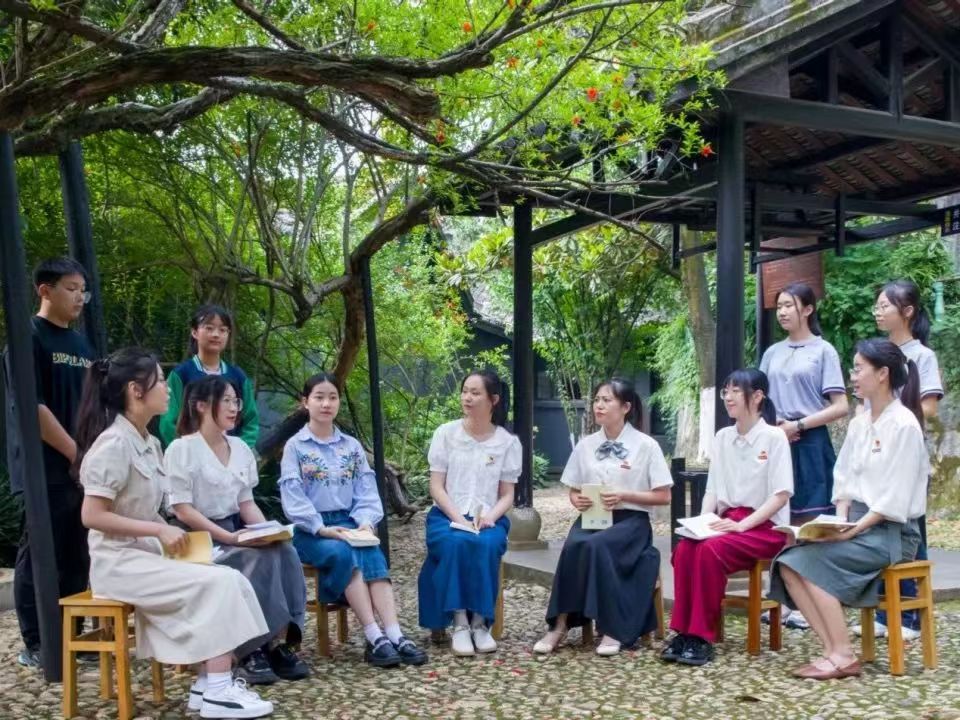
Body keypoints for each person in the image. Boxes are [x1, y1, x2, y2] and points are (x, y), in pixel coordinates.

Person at [76, 348, 274, 718]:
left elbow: (143, 507)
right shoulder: (113, 444)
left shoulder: (149, 443)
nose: (168, 389)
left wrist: (173, 536)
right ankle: (219, 692)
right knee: (219, 584)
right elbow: (92, 515)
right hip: (118, 564)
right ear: (136, 390)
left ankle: (207, 682)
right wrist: (158, 529)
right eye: (161, 382)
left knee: (228, 575)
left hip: (147, 555)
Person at [767, 339, 928, 680]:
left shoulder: (904, 425)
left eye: (858, 369)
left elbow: (894, 499)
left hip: (892, 534)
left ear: (882, 374)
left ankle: (843, 654)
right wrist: (837, 522)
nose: (852, 376)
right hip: (856, 526)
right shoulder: (859, 423)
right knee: (788, 563)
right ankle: (832, 649)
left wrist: (852, 531)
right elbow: (844, 481)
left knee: (812, 564)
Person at [165, 376, 308, 685]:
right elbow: (183, 509)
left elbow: (246, 504)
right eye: (227, 401)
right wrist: (230, 538)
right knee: (252, 559)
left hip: (233, 530)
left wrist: (268, 531)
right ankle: (250, 649)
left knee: (283, 551)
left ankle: (277, 641)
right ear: (201, 406)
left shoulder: (240, 448)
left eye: (236, 401)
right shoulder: (181, 449)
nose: (234, 408)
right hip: (194, 539)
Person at [280, 372, 427, 668]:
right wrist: (322, 528)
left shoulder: (351, 446)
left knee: (371, 550)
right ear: (305, 402)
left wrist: (366, 522)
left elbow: (366, 490)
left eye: (332, 397)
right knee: (343, 552)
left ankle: (394, 633)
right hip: (311, 530)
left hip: (349, 522)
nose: (326, 404)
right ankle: (374, 636)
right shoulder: (295, 447)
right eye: (319, 397)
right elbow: (293, 498)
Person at [662, 369, 793, 666]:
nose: (728, 397)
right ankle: (682, 631)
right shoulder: (722, 437)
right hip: (728, 521)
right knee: (685, 549)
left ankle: (701, 636)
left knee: (709, 551)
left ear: (757, 397)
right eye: (726, 391)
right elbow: (713, 490)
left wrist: (742, 525)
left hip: (765, 527)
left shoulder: (774, 437)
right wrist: (700, 525)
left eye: (736, 391)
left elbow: (781, 495)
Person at [533, 379, 672, 657]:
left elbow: (664, 496)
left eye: (607, 400)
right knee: (574, 545)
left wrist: (624, 495)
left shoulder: (646, 446)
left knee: (597, 546)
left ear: (626, 407)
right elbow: (573, 489)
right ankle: (559, 625)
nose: (599, 405)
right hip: (593, 517)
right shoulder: (586, 445)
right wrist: (577, 499)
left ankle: (613, 628)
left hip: (631, 522)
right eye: (597, 399)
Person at [7, 257, 96, 668]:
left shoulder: (82, 345)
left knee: (79, 550)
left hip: (84, 465)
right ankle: (38, 640)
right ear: (45, 290)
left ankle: (73, 637)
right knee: (41, 550)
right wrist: (75, 453)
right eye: (72, 289)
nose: (79, 298)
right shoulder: (27, 338)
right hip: (45, 466)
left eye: (83, 291)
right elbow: (33, 407)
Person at [856, 279, 944, 641]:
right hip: (873, 454)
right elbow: (863, 405)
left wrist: (895, 420)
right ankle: (882, 610)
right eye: (876, 306)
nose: (878, 312)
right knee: (875, 529)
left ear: (907, 311)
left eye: (884, 306)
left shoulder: (921, 355)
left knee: (908, 529)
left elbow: (930, 407)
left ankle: (910, 616)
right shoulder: (874, 352)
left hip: (905, 454)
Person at [759, 282, 848, 630]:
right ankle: (785, 599)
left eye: (789, 305)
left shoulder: (824, 351)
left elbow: (840, 406)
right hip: (776, 440)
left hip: (810, 441)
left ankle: (810, 602)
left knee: (809, 522)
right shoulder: (772, 353)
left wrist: (798, 425)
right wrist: (774, 429)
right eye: (779, 306)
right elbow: (761, 400)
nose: (782, 312)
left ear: (808, 309)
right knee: (781, 518)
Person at [418, 370, 521, 656]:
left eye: (475, 393)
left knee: (486, 544)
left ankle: (480, 623)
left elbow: (507, 494)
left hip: (489, 518)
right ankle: (461, 622)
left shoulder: (507, 442)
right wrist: (458, 519)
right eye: (465, 391)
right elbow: (436, 487)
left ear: (493, 400)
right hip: (446, 515)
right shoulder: (446, 434)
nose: (467, 398)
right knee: (456, 542)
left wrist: (490, 517)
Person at [158, 304, 259, 450]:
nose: (216, 334)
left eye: (222, 330)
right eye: (209, 328)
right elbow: (168, 421)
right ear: (194, 332)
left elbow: (251, 421)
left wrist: (236, 451)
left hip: (231, 457)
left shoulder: (238, 376)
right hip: (190, 456)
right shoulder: (181, 374)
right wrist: (187, 451)